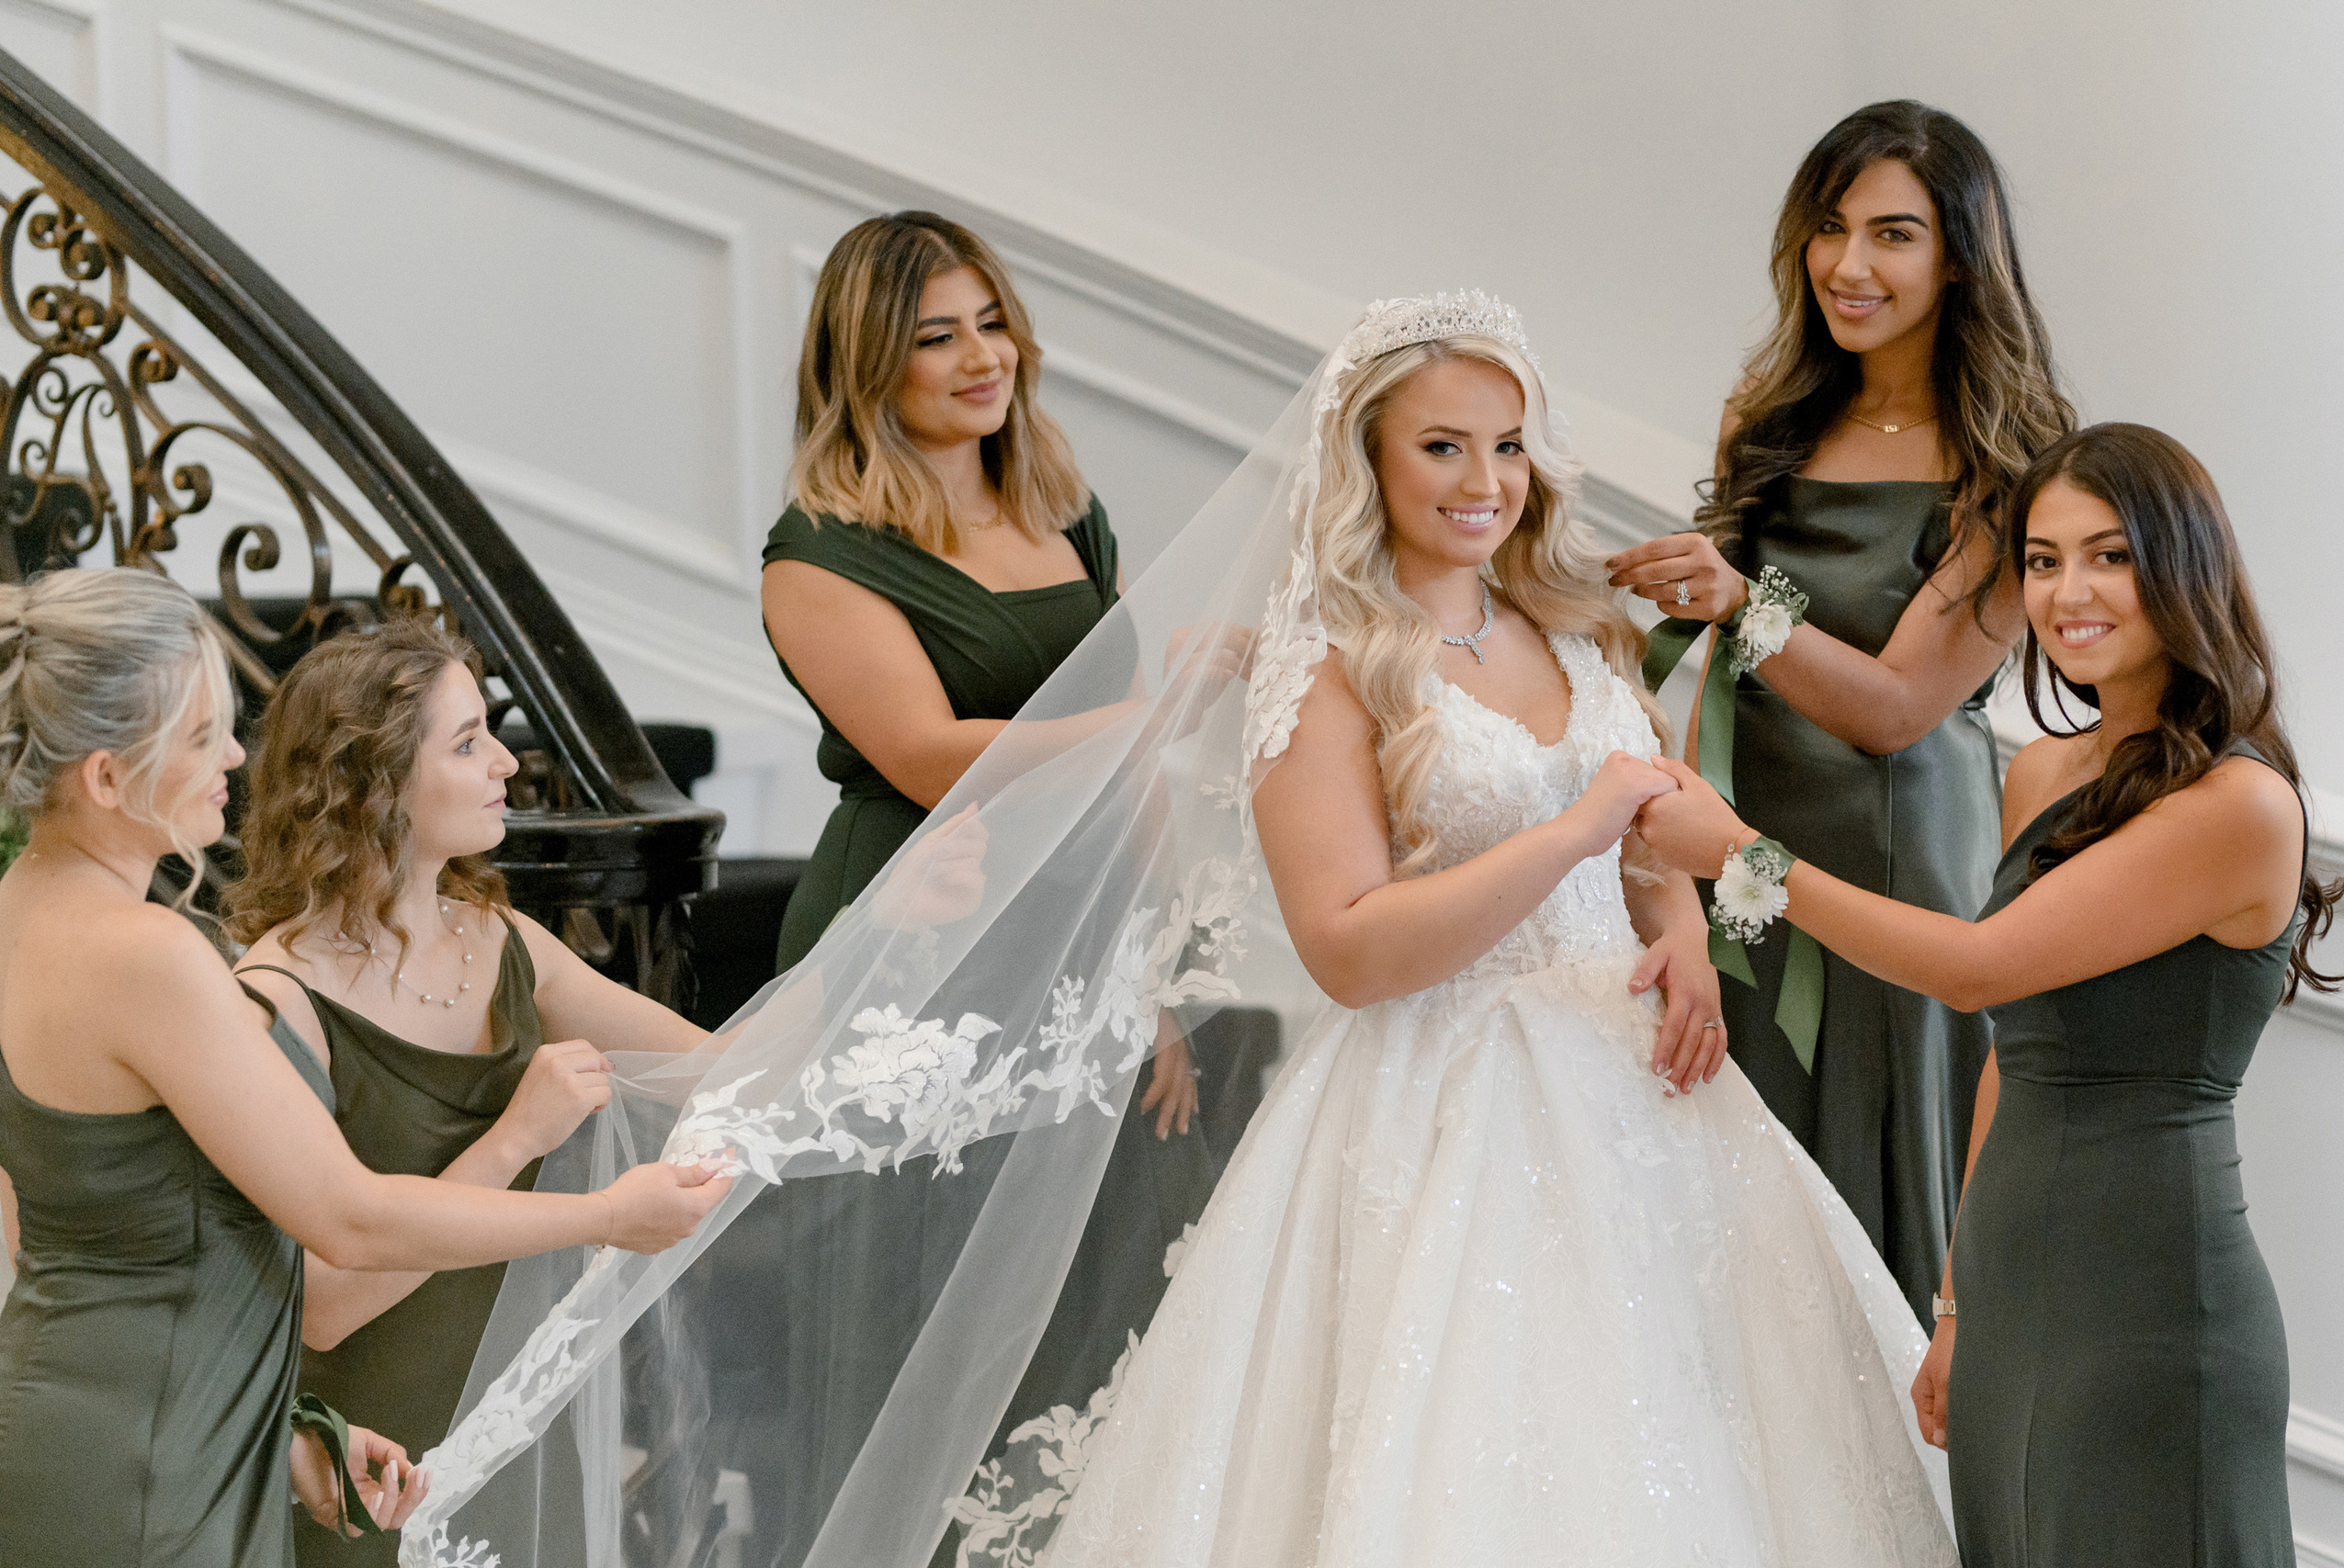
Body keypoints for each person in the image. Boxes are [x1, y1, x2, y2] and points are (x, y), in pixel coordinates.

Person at [397, 297, 1955, 1568]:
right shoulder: (1329, 663)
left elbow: (1648, 824)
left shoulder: (1574, 624)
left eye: (1506, 445)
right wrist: (1568, 830)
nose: (1484, 478)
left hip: (1647, 1086)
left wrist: (1675, 925)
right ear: (1370, 458)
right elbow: (1348, 945)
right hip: (1444, 1104)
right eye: (1441, 446)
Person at [1633, 423, 2327, 1566]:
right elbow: (2015, 1036)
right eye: (2044, 561)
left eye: (2109, 555)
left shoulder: (2239, 806)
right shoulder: (2052, 768)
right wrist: (1956, 1303)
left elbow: (1971, 968)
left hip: (2152, 1299)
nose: (2069, 593)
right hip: (2011, 1280)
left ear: (2185, 566)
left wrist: (1741, 857)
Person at [0, 569, 730, 1567]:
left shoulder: (17, 912)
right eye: (205, 733)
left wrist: (282, 1423)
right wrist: (608, 1216)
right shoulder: (151, 954)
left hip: (87, 1408)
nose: (238, 756)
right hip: (153, 1448)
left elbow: (39, 1224)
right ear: (106, 778)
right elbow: (347, 1218)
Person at [745, 209, 1216, 1564]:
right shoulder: (817, 551)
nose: (978, 357)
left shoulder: (1066, 510)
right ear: (865, 365)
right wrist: (1153, 705)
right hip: (914, 941)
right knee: (906, 1312)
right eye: (933, 336)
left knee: (1072, 1304)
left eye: (990, 323)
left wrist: (1162, 978)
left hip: (1078, 946)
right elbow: (932, 753)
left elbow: (1134, 773)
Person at [1604, 99, 2076, 1323]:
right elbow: (1705, 653)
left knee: (1866, 1131)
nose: (1849, 266)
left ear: (1960, 257)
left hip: (1896, 848)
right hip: (1747, 827)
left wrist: (1736, 600)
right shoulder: (1766, 415)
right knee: (1737, 1091)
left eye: (1893, 235)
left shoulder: (2012, 460)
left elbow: (1898, 707)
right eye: (1830, 227)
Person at [224, 616, 716, 1568]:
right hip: (373, 1472)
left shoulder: (503, 940)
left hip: (525, 1433)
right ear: (371, 782)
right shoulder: (278, 1000)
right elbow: (322, 1303)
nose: (505, 762)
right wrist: (514, 1138)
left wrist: (894, 936)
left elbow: (720, 1066)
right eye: (467, 742)